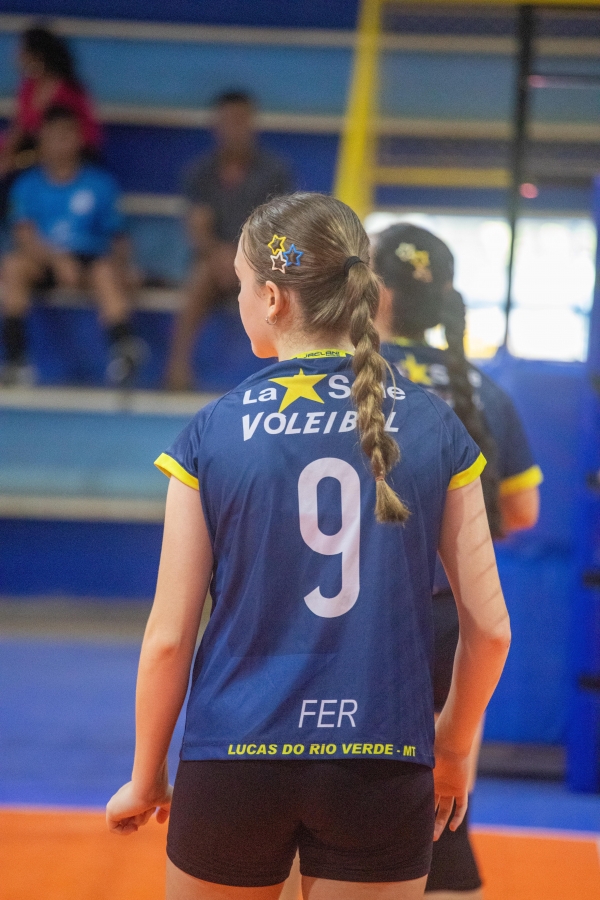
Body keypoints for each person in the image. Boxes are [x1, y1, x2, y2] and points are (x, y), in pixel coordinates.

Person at [106, 193, 511, 900]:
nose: (240, 300)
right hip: (383, 759)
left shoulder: (212, 431)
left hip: (233, 756)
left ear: (271, 297)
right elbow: (492, 630)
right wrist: (450, 747)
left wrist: (147, 776)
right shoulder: (434, 425)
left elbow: (169, 638)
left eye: (240, 285)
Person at [373, 223, 542, 900]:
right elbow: (523, 510)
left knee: (336, 801)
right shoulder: (482, 389)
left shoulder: (346, 378)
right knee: (444, 805)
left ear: (375, 292)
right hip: (453, 617)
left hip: (355, 616)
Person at [0, 104, 143, 387]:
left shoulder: (100, 183)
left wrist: (123, 267)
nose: (59, 144)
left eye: (66, 136)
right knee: (12, 267)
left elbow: (117, 237)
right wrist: (57, 261)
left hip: (90, 260)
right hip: (42, 261)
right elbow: (24, 237)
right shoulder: (26, 185)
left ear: (79, 139)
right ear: (41, 139)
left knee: (106, 272)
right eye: (52, 136)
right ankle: (17, 360)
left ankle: (124, 349)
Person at [165, 90, 294, 391]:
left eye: (241, 120)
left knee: (290, 287)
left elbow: (279, 229)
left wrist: (244, 259)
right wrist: (220, 256)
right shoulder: (201, 172)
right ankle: (177, 366)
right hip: (214, 263)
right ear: (216, 125)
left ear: (252, 123)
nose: (235, 128)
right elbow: (198, 226)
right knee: (199, 277)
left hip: (260, 261)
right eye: (228, 121)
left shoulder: (275, 171)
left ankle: (290, 369)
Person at [0, 25, 102, 221]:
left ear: (36, 56)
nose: (15, 57)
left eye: (21, 51)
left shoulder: (68, 92)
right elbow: (20, 127)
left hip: (71, 154)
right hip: (37, 151)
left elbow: (73, 139)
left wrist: (15, 162)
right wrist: (6, 157)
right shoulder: (29, 87)